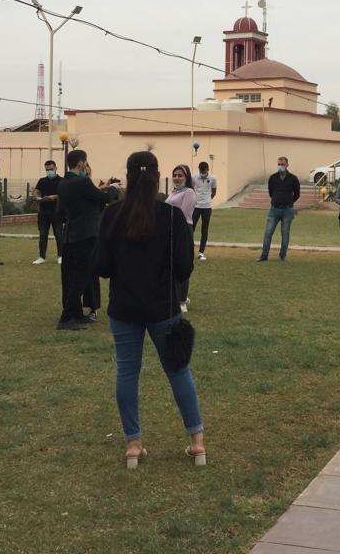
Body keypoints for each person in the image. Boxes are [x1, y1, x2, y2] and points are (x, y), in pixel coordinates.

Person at [94, 151, 204, 469]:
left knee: (127, 372)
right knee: (178, 370)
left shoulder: (112, 214)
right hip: (163, 307)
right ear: (158, 178)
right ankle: (197, 442)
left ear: (128, 177)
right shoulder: (171, 217)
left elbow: (101, 266)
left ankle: (133, 445)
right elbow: (184, 267)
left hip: (124, 307)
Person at [56, 150, 119, 329]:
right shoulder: (83, 182)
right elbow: (104, 198)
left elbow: (83, 199)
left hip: (71, 234)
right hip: (86, 234)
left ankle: (76, 313)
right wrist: (113, 188)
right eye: (85, 162)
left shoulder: (63, 183)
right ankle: (66, 318)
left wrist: (100, 189)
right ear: (80, 163)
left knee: (71, 276)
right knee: (81, 277)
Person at [166, 165, 197, 312]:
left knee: (183, 263)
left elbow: (182, 215)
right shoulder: (173, 191)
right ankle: (175, 295)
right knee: (172, 264)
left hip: (184, 230)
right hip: (171, 230)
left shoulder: (189, 192)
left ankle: (182, 300)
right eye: (175, 175)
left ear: (186, 177)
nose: (177, 178)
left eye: (180, 175)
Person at [258, 156, 300, 262]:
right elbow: (271, 192)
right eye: (279, 164)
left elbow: (297, 194)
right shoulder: (273, 178)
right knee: (268, 232)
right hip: (274, 210)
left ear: (287, 165)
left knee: (285, 233)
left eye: (282, 164)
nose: (280, 166)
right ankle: (264, 255)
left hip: (287, 210)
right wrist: (277, 199)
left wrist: (289, 202)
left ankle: (282, 255)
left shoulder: (293, 178)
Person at [33, 159, 64, 265]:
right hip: (43, 212)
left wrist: (55, 197)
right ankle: (42, 257)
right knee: (43, 235)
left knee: (59, 235)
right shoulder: (42, 181)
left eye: (51, 169)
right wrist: (37, 197)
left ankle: (60, 256)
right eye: (47, 170)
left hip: (57, 212)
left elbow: (64, 194)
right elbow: (36, 191)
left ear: (55, 168)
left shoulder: (62, 181)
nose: (49, 171)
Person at [192, 161, 217, 261]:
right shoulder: (194, 177)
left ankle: (201, 253)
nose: (203, 173)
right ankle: (189, 250)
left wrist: (207, 200)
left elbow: (214, 192)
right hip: (196, 207)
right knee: (191, 228)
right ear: (199, 169)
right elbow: (191, 189)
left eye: (204, 171)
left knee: (204, 230)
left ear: (208, 169)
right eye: (201, 171)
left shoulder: (213, 178)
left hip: (207, 207)